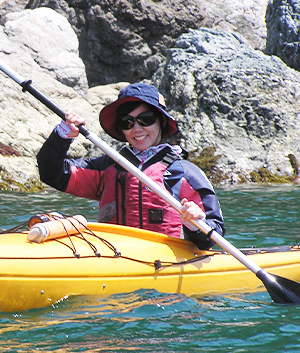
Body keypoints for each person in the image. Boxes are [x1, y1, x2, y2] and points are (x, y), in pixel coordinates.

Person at [37, 83, 224, 250]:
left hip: (168, 262)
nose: (137, 128)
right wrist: (61, 136)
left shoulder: (184, 172)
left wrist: (195, 223)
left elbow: (213, 234)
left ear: (161, 121)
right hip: (115, 255)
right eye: (127, 122)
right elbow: (52, 173)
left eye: (146, 119)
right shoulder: (107, 167)